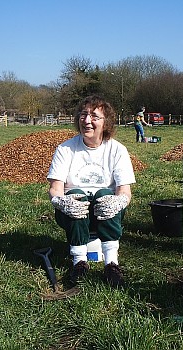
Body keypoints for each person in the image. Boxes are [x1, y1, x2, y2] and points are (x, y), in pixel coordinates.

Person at [47, 95, 136, 287]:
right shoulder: (65, 149)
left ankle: (112, 264)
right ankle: (79, 262)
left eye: (94, 116)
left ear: (106, 122)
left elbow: (125, 191)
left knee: (106, 196)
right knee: (75, 195)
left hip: (106, 215)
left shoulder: (117, 150)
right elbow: (55, 189)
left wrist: (117, 202)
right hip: (73, 215)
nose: (87, 121)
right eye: (83, 114)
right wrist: (62, 202)